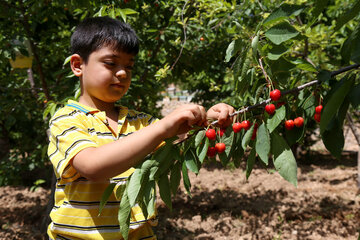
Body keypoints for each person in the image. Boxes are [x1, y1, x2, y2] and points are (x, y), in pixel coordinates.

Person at [47, 16, 234, 240]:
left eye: (129, 66)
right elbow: (93, 166)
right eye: (110, 63)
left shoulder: (140, 122)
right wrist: (162, 127)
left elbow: (179, 141)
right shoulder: (67, 120)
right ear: (78, 65)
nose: (123, 73)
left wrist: (209, 120)